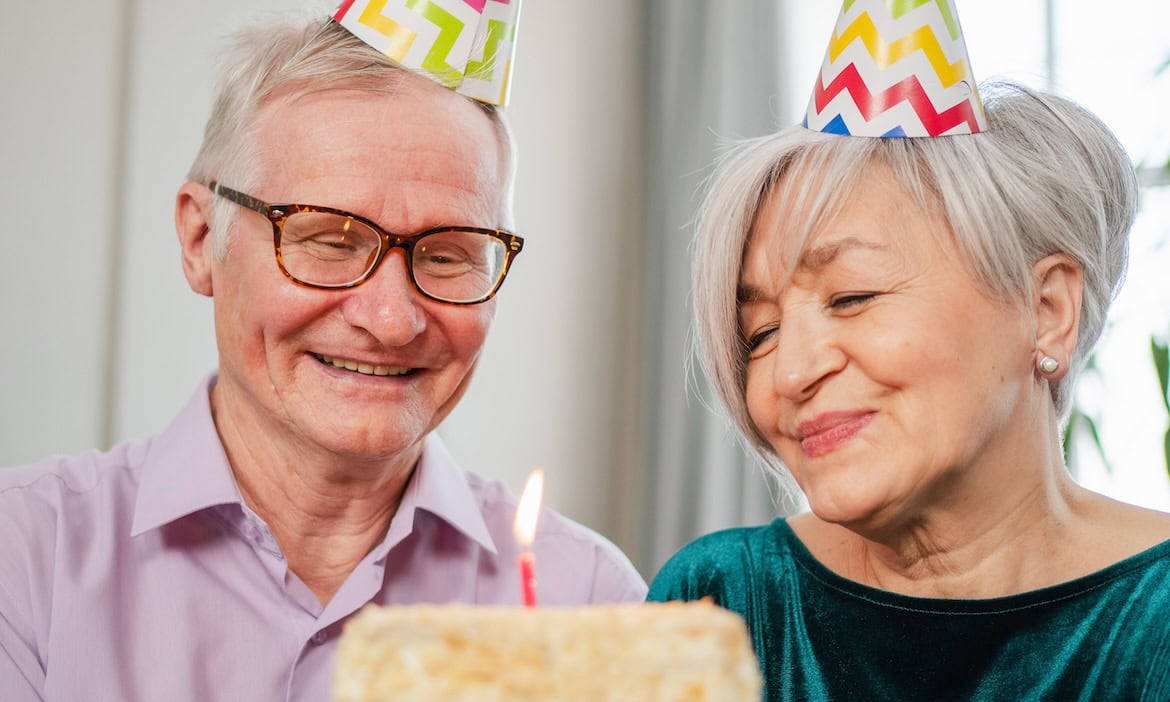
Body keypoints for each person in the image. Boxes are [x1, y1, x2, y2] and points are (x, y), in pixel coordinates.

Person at [0, 12, 646, 701]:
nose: (393, 319)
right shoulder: (24, 561)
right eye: (330, 242)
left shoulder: (591, 605)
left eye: (449, 252)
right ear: (198, 238)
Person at [648, 77, 1170, 701]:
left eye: (852, 296)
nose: (789, 374)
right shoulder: (719, 604)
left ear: (1048, 308)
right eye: (760, 333)